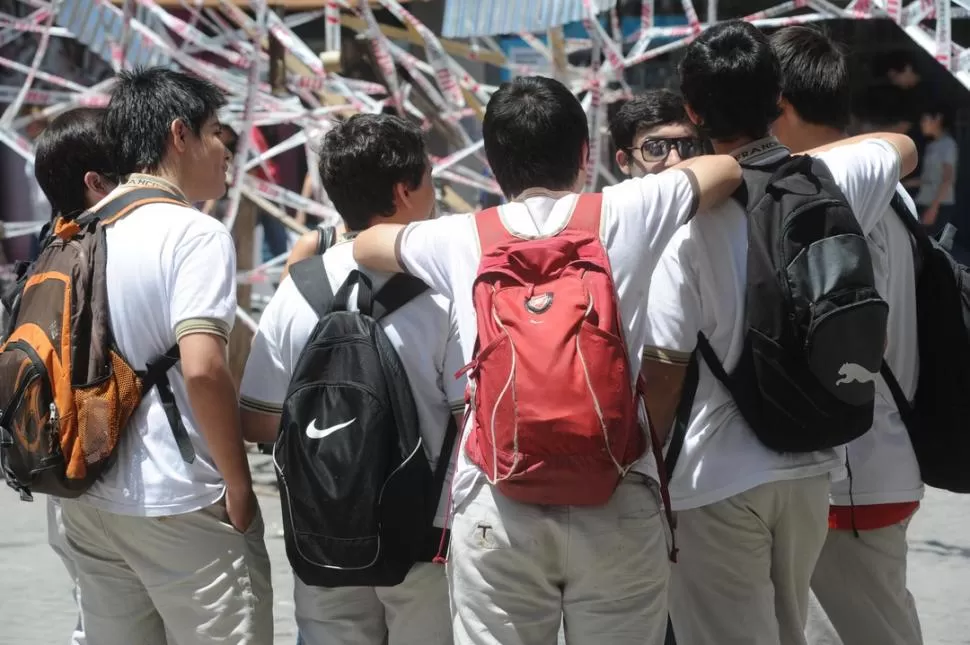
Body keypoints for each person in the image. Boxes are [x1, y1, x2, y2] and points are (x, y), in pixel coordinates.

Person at [352, 75, 743, 645]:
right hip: (617, 491)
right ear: (585, 156)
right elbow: (724, 171)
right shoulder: (627, 210)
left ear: (493, 165)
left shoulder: (459, 238)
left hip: (497, 500)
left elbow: (369, 243)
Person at [640, 20, 917, 645]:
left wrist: (638, 475)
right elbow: (902, 146)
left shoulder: (682, 221)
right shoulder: (832, 181)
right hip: (810, 469)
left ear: (690, 110)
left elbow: (662, 372)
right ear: (776, 100)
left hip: (713, 478)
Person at [57, 67, 272, 645]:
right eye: (216, 131)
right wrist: (239, 484)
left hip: (88, 496)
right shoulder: (192, 234)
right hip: (179, 499)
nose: (227, 149)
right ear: (180, 135)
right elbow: (203, 367)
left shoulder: (76, 229)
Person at [240, 113, 464, 645]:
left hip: (325, 531)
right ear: (405, 190)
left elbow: (258, 418)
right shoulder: (442, 288)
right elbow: (470, 414)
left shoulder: (299, 288)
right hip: (426, 534)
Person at [771, 26, 925, 645]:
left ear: (777, 105)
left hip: (847, 474)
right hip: (873, 459)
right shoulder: (885, 187)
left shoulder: (827, 185)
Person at [30, 106, 121, 645]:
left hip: (62, 470)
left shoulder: (49, 250)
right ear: (96, 182)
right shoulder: (103, 251)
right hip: (102, 464)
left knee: (92, 613)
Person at [609, 89, 703, 177]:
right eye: (655, 148)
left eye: (687, 146)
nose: (675, 160)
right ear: (624, 161)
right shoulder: (609, 195)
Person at [907, 104, 958, 235]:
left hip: (938, 205)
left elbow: (948, 179)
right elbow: (928, 179)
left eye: (925, 119)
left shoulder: (948, 144)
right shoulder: (932, 145)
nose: (922, 123)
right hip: (924, 200)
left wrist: (933, 208)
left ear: (937, 120)